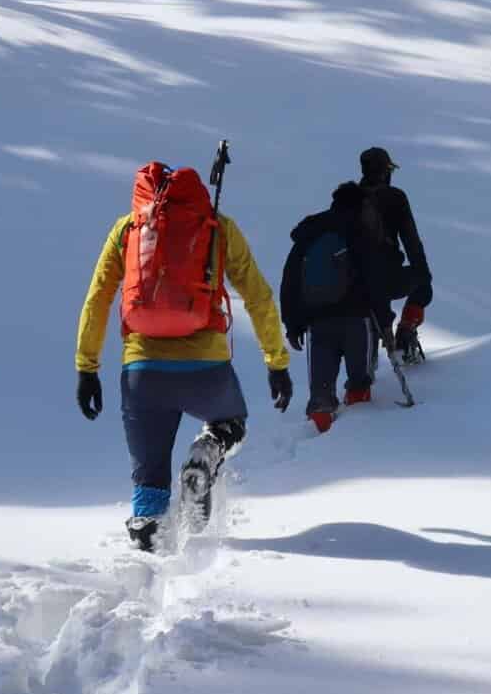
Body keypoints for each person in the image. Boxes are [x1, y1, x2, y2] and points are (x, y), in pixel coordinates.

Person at [75, 160, 292, 551]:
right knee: (230, 424)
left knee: (148, 483)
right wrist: (276, 362)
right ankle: (206, 453)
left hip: (142, 371)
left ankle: (146, 549)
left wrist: (86, 368)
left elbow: (98, 299)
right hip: (205, 368)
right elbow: (258, 296)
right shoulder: (216, 225)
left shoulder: (127, 229)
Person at [279, 181, 397, 432]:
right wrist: (385, 324)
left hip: (318, 322)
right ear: (359, 204)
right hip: (357, 320)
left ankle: (318, 432)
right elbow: (376, 282)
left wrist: (292, 324)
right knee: (359, 384)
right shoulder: (360, 232)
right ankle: (354, 438)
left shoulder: (310, 233)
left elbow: (290, 280)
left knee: (321, 393)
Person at [357, 146, 434, 362]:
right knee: (422, 285)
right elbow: (411, 241)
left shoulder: (349, 197)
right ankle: (405, 335)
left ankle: (364, 373)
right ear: (385, 172)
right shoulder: (395, 197)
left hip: (354, 281)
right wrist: (424, 275)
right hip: (388, 278)